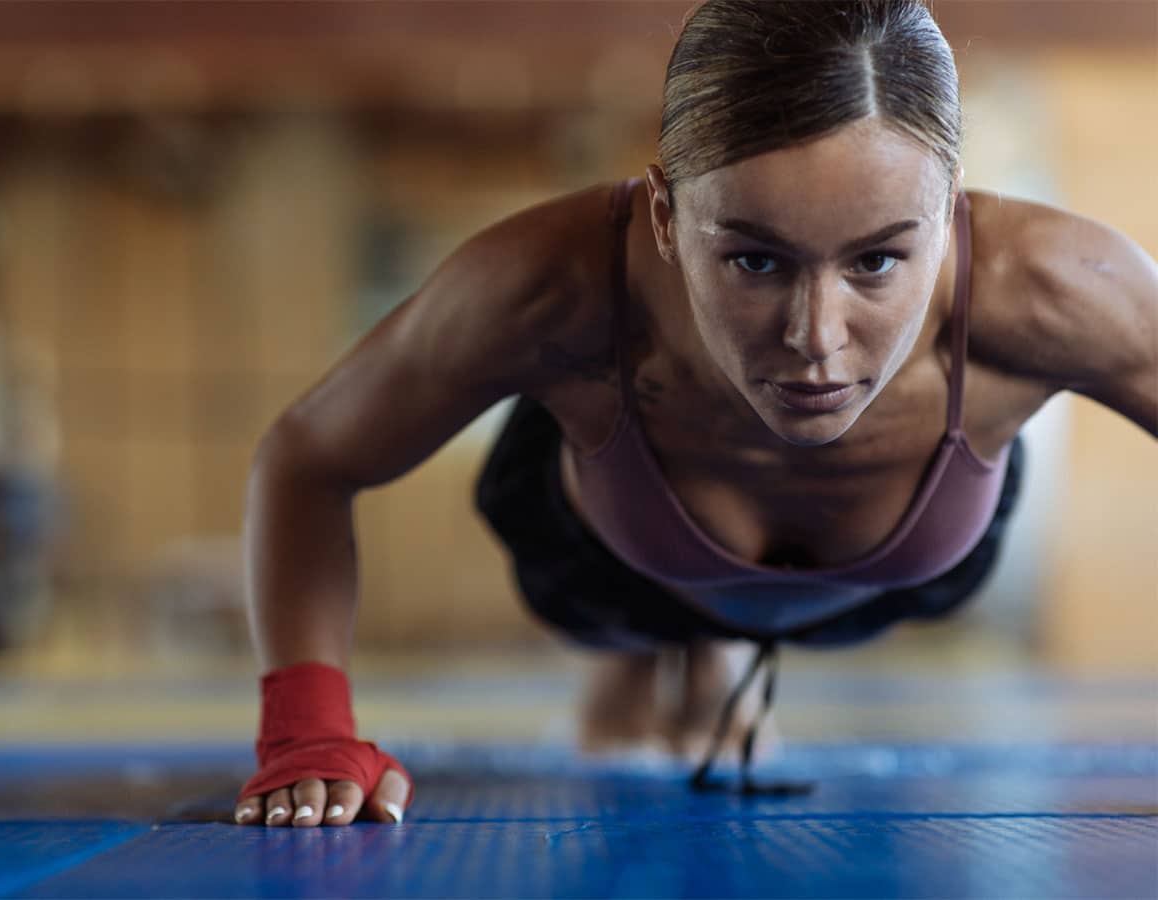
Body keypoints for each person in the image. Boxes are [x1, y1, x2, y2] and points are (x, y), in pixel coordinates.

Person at [233, 0, 1158, 827]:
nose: (816, 338)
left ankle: (713, 647)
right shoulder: (551, 286)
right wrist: (305, 730)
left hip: (893, 580)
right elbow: (309, 457)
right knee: (623, 682)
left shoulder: (1054, 290)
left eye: (877, 262)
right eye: (755, 261)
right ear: (667, 217)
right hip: (608, 565)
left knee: (656, 704)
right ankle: (666, 642)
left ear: (948, 211)